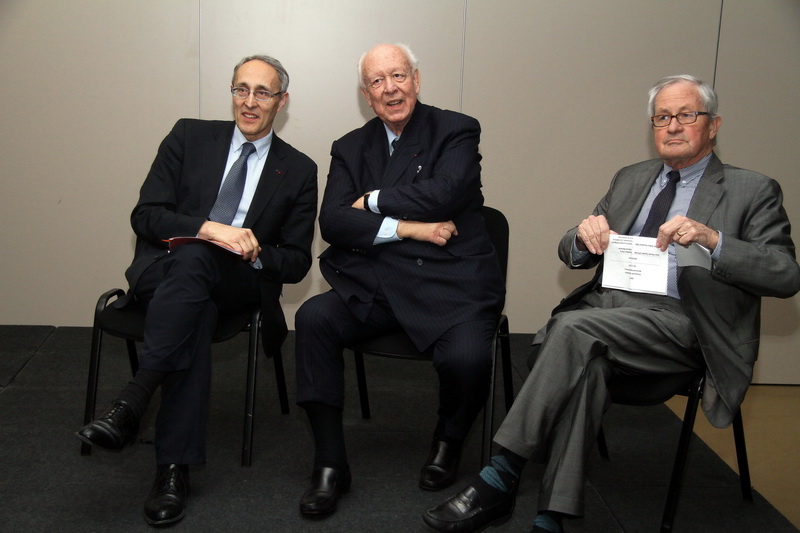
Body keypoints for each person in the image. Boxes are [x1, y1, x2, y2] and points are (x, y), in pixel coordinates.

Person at [423, 74, 800, 533]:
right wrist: (583, 237)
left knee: (572, 330)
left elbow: (785, 273)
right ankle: (552, 514)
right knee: (588, 367)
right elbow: (570, 249)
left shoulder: (753, 189)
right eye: (662, 117)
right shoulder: (632, 178)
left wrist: (713, 239)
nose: (673, 126)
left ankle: (501, 473)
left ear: (714, 124)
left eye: (686, 115)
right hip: (608, 314)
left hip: (682, 323)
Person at [76, 54, 318, 526]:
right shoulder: (188, 135)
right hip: (163, 272)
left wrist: (250, 249)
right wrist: (210, 229)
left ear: (282, 102)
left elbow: (297, 261)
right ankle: (171, 467)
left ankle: (135, 401)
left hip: (237, 283)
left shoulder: (300, 169)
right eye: (240, 89)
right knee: (195, 282)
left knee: (200, 270)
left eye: (262, 93)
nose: (249, 103)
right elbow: (145, 215)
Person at [294, 43, 505, 516]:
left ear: (417, 78)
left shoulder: (455, 129)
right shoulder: (351, 146)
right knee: (313, 319)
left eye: (398, 76)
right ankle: (330, 463)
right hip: (379, 283)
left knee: (469, 359)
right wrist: (410, 228)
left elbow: (446, 194)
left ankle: (449, 440)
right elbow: (331, 223)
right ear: (366, 94)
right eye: (377, 81)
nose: (390, 89)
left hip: (453, 283)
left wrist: (370, 202)